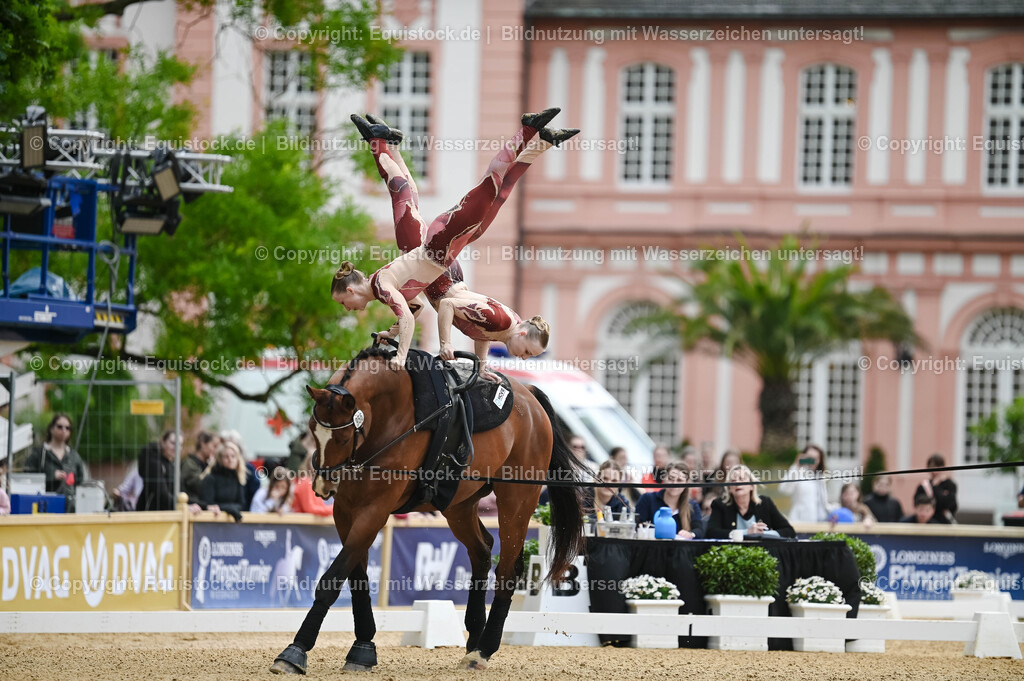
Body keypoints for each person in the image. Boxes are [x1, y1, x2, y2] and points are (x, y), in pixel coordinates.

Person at [333, 108, 577, 374]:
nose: (525, 359)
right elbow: (432, 311)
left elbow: (422, 309)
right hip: (442, 262)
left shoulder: (506, 324)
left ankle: (531, 133)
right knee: (487, 193)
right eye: (528, 353)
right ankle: (537, 139)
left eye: (529, 355)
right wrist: (473, 363)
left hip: (439, 255)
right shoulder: (505, 324)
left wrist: (439, 345)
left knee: (482, 191)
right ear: (521, 334)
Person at [706, 464, 796, 539]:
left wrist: (763, 534)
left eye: (741, 479)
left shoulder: (765, 503)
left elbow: (788, 531)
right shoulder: (719, 504)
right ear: (729, 488)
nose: (737, 483)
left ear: (752, 485)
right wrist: (746, 532)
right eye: (733, 480)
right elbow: (711, 532)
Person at [28, 413, 86, 511]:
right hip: (45, 505)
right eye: (60, 427)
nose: (64, 430)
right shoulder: (40, 453)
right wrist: (51, 475)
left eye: (67, 428)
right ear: (51, 429)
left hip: (70, 508)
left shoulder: (73, 455)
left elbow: (80, 480)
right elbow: (28, 476)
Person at [634, 462, 705, 539]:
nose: (674, 483)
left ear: (686, 483)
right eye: (671, 479)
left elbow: (699, 530)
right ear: (664, 479)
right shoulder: (647, 499)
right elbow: (636, 525)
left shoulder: (692, 505)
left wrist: (691, 534)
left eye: (679, 480)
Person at [778, 444, 834, 523]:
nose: (813, 461)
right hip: (800, 522)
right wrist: (796, 466)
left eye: (816, 458)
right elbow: (784, 490)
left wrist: (833, 512)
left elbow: (823, 503)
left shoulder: (820, 477)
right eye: (810, 457)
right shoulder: (798, 473)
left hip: (819, 523)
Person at [200, 441, 247, 522]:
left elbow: (242, 504)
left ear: (238, 458)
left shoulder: (238, 478)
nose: (230, 460)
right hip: (212, 522)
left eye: (233, 456)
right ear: (220, 459)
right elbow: (208, 504)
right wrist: (227, 508)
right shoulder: (210, 478)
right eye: (226, 457)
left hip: (232, 523)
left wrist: (230, 508)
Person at [138, 430, 178, 512]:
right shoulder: (154, 463)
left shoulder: (171, 465)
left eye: (180, 444)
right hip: (152, 514)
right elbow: (161, 494)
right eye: (173, 443)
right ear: (163, 442)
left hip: (168, 513)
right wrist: (182, 506)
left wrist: (204, 506)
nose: (176, 448)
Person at [182, 431, 219, 511]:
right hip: (194, 508)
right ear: (203, 443)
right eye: (214, 446)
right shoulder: (189, 463)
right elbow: (198, 484)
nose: (215, 450)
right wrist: (210, 468)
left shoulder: (208, 464)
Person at [914, 453, 957, 523]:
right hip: (927, 522)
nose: (935, 471)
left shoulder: (950, 485)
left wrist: (935, 487)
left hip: (944, 522)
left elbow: (952, 505)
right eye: (932, 467)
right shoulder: (923, 485)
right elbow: (917, 503)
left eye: (938, 467)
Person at [702, 448, 742, 518]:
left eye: (735, 462)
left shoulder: (745, 481)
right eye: (728, 463)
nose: (731, 466)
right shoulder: (716, 480)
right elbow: (710, 497)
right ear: (723, 464)